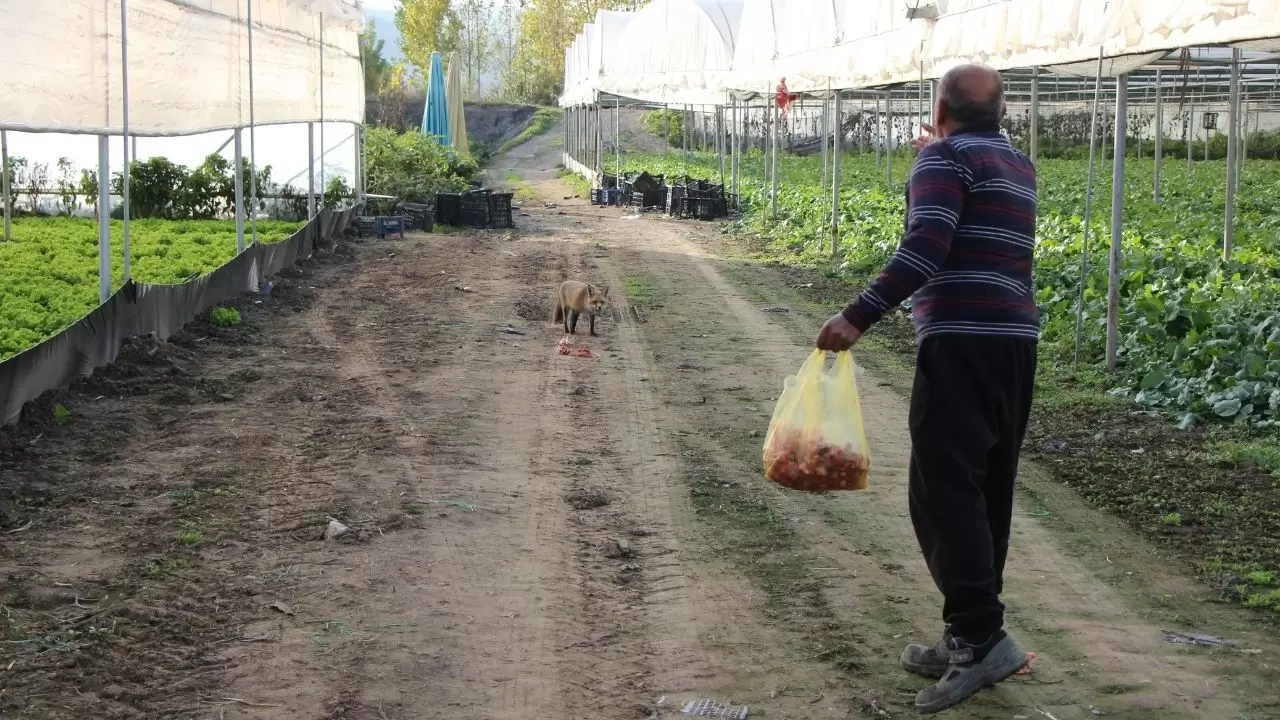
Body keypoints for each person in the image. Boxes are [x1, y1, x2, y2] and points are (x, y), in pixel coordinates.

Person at [815, 63, 1038, 714]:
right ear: (1000, 114)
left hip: (961, 342)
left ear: (939, 109)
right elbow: (966, 220)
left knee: (941, 494)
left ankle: (980, 638)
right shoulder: (1017, 165)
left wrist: (856, 315)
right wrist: (935, 163)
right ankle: (969, 631)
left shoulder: (944, 159)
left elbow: (927, 248)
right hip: (1013, 345)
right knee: (984, 488)